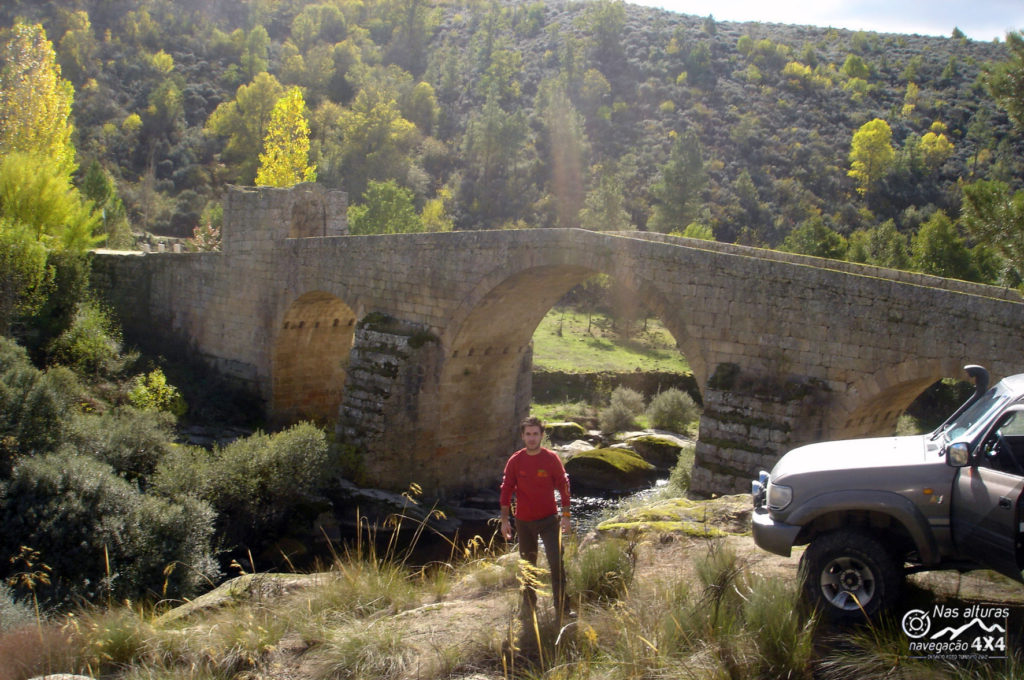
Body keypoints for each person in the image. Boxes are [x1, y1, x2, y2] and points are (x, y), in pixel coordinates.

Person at [500, 416, 572, 620]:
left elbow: (563, 486)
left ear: (541, 435)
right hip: (524, 522)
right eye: (528, 434)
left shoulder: (551, 459)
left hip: (549, 520)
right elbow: (506, 490)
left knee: (556, 562)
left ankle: (563, 608)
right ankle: (529, 606)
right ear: (523, 436)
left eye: (535, 434)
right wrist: (505, 520)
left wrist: (566, 516)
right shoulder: (515, 460)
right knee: (528, 564)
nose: (532, 438)